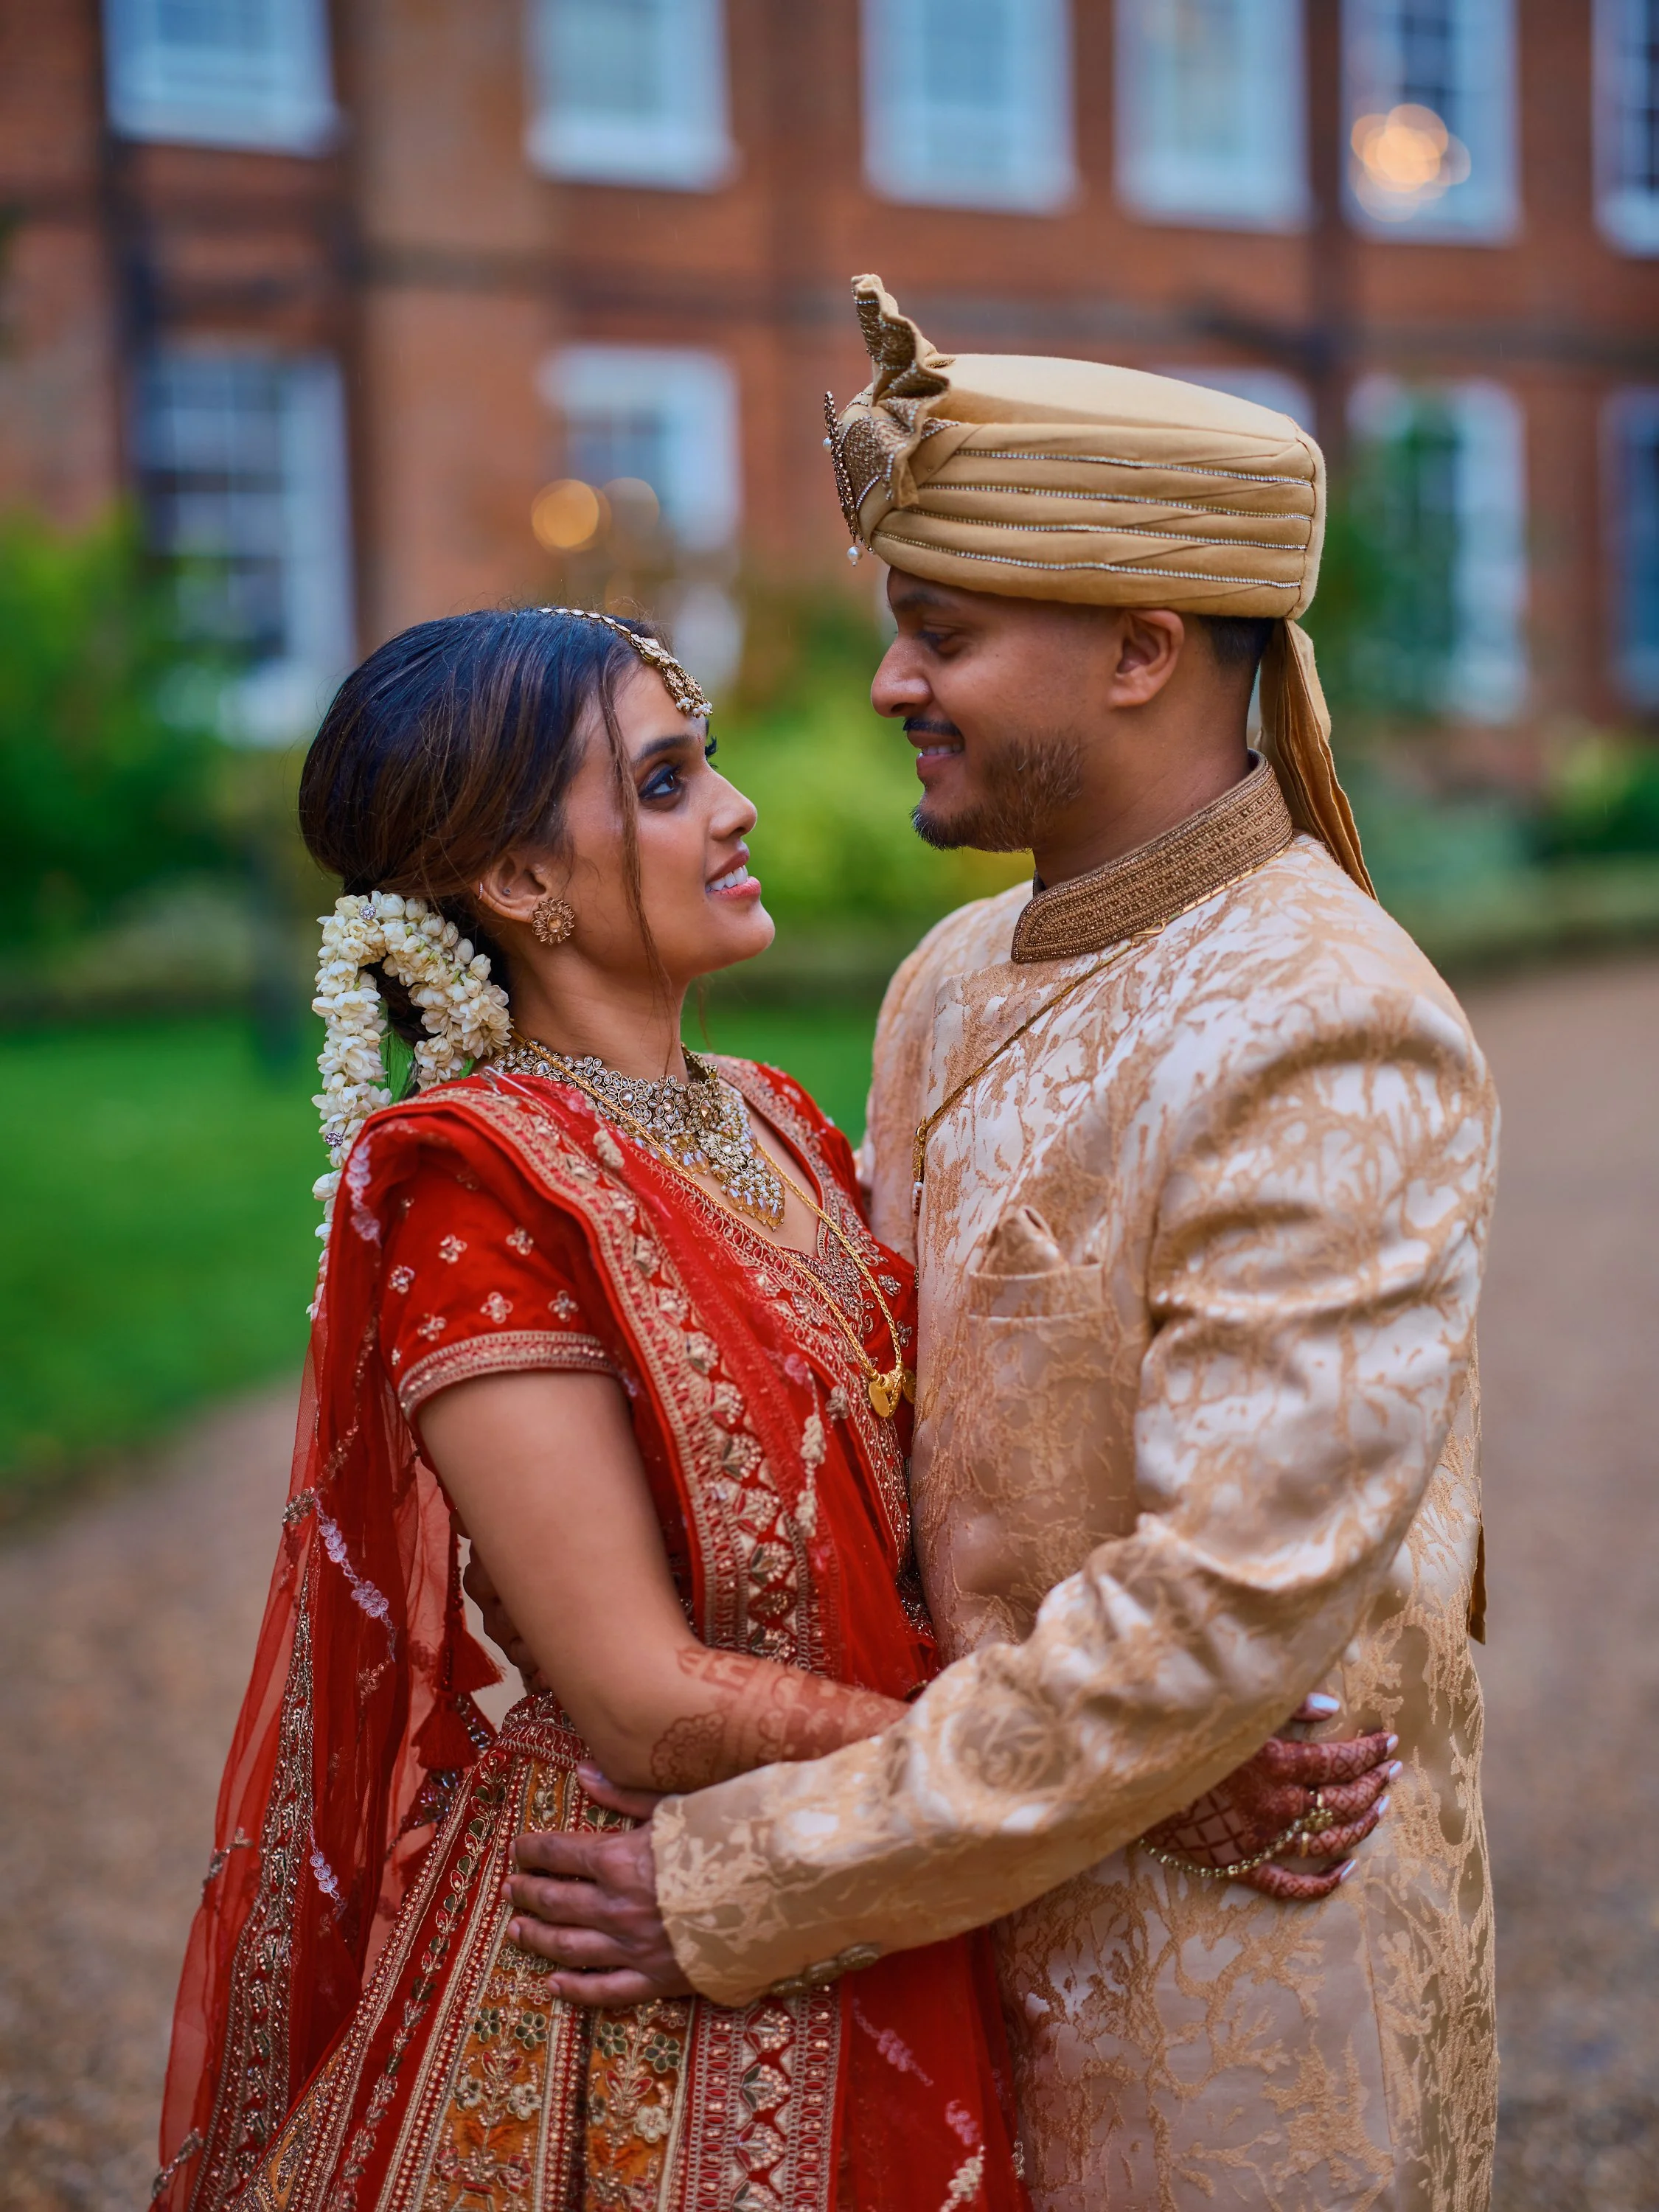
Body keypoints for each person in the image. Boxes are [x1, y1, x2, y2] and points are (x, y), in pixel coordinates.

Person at [154, 605, 1380, 2212]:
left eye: (709, 762)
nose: (733, 809)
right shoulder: (476, 1187)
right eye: (664, 784)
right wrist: (1134, 1784)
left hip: (889, 1861)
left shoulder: (771, 1121)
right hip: (650, 1960)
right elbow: (643, 1698)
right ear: (520, 885)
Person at [496, 282, 1500, 2212]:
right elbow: (858, 1459)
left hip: (1217, 2010)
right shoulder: (950, 977)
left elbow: (1210, 1619)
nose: (887, 684)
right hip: (939, 1931)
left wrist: (753, 1876)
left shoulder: (1329, 1027)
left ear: (1141, 652)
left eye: (940, 633)